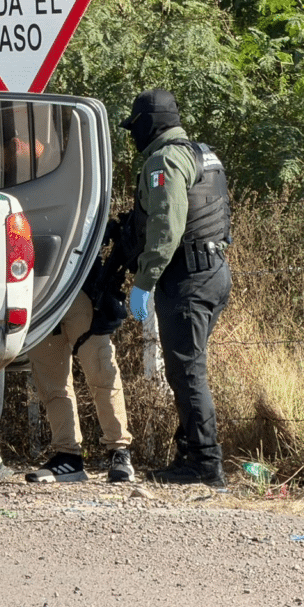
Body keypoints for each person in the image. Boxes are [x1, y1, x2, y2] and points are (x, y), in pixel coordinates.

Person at [120, 89, 232, 487]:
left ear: (149, 125)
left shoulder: (164, 160)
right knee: (188, 367)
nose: (133, 136)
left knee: (186, 372)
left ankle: (204, 464)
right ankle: (188, 454)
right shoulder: (204, 154)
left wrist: (143, 282)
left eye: (135, 128)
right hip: (214, 271)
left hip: (187, 278)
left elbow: (167, 227)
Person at [23, 231, 135, 483]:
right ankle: (68, 456)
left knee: (101, 372)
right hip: (37, 291)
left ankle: (119, 451)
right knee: (51, 381)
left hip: (82, 284)